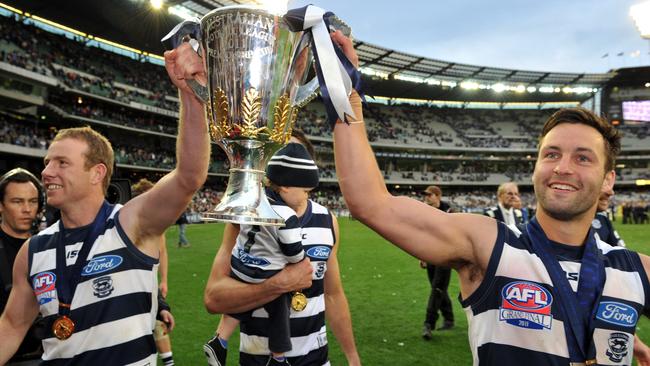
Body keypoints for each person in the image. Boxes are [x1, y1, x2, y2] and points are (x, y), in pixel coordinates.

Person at [329, 30, 650, 365]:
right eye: (551, 154)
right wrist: (347, 94)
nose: (563, 168)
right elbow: (372, 204)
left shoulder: (634, 269)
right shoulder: (490, 244)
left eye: (583, 158)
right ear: (536, 168)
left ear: (608, 180)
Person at [0, 39, 210, 364]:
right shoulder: (34, 250)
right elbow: (12, 325)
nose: (46, 172)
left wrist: (190, 93)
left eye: (61, 163)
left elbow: (188, 177)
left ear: (97, 173)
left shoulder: (130, 223)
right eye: (46, 162)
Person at [203, 143, 361, 366]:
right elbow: (214, 298)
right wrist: (276, 285)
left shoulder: (327, 221)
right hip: (257, 358)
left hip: (315, 358)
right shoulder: (247, 218)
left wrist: (352, 356)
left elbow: (333, 295)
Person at [0, 168, 44, 364]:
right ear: (1, 205)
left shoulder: (48, 246)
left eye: (32, 201)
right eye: (17, 201)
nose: (27, 209)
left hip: (45, 356)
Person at [132, 178, 176, 366]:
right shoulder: (128, 220)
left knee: (158, 319)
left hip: (150, 280)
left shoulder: (158, 221)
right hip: (132, 280)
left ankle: (167, 361)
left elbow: (163, 250)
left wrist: (163, 279)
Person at [419, 185, 454, 340]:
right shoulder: (425, 213)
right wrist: (422, 255)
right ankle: (449, 318)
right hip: (430, 254)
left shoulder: (450, 212)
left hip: (446, 256)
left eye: (429, 195)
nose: (427, 197)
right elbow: (423, 235)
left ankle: (428, 323)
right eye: (426, 195)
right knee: (439, 288)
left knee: (437, 288)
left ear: (438, 196)